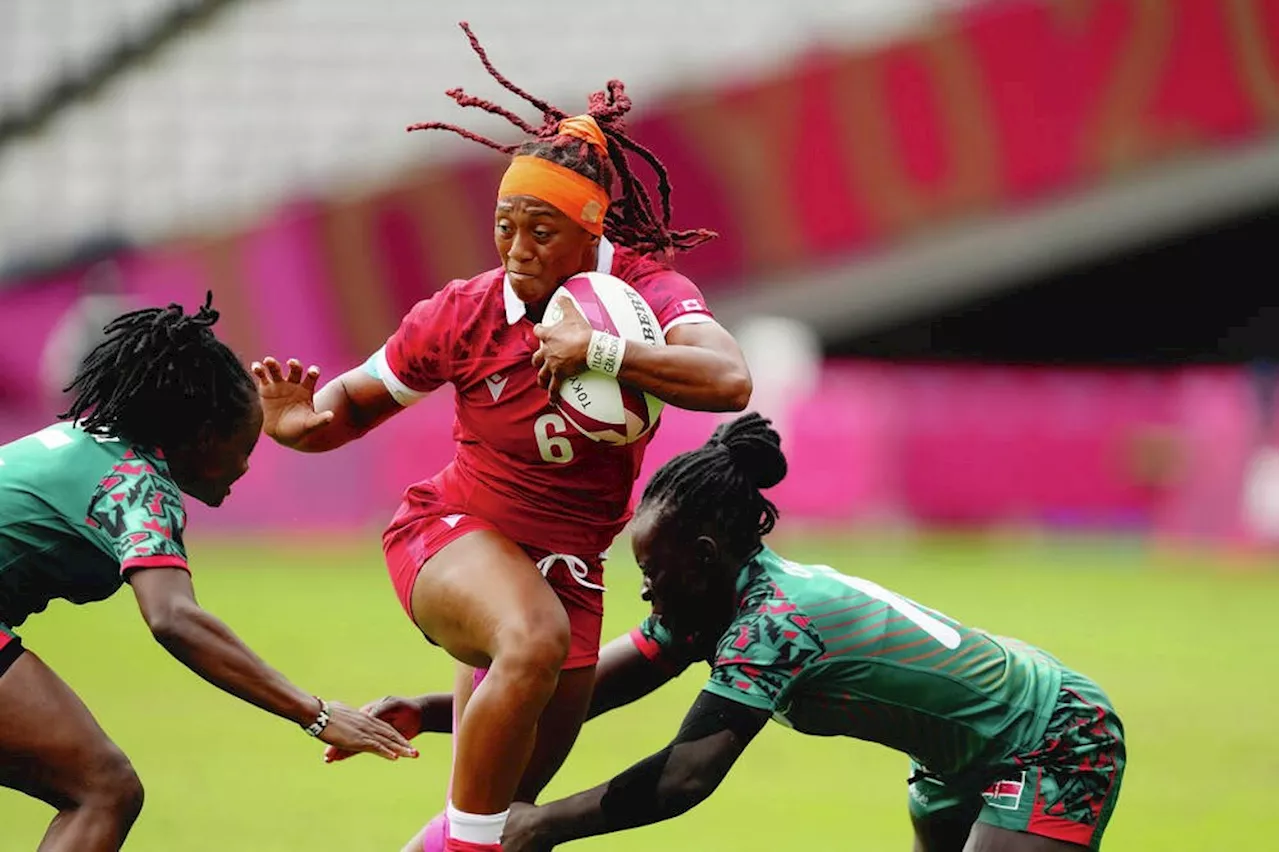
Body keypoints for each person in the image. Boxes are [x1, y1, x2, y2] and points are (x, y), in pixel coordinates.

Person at [252, 20, 751, 852]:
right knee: (529, 643)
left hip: (571, 570)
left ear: (592, 229)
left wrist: (600, 350)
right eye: (504, 225)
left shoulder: (644, 291)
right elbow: (344, 408)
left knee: (503, 812)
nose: (516, 250)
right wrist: (294, 423)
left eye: (541, 230)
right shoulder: (464, 311)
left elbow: (728, 379)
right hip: (450, 537)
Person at [354, 413, 1127, 852]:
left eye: (655, 569)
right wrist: (430, 711)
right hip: (956, 760)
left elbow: (685, 777)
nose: (645, 587)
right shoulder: (706, 610)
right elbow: (581, 696)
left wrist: (544, 825)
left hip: (1052, 735)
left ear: (705, 556)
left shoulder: (770, 625)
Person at [0, 294, 417, 852]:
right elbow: (175, 618)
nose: (246, 466)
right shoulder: (135, 482)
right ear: (201, 438)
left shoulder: (91, 442)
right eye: (242, 447)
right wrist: (313, 713)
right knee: (103, 789)